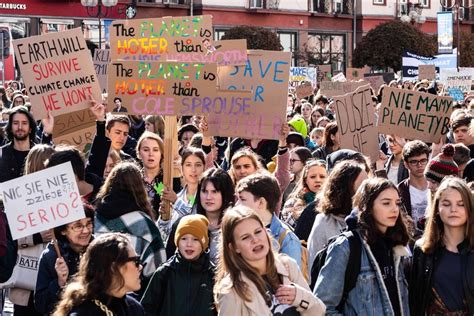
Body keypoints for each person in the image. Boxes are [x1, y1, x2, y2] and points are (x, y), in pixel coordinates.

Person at [314, 177, 411, 315]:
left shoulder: (398, 246)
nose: (395, 209)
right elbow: (322, 307)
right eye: (386, 203)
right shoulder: (346, 246)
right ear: (368, 206)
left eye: (397, 203)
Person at [214, 206, 326, 315]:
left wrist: (299, 297)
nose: (255, 240)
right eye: (245, 237)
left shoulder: (288, 266)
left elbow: (319, 311)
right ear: (234, 247)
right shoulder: (231, 290)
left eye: (258, 231)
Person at [410, 177, 474, 316]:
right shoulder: (422, 249)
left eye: (461, 204)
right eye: (446, 203)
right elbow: (416, 300)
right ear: (437, 208)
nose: (453, 209)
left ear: (469, 208)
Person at [94, 161, 166, 282]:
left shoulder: (96, 217)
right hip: (135, 294)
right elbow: (158, 270)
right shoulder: (145, 224)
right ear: (139, 186)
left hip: (100, 288)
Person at [53, 233, 144, 316]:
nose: (140, 267)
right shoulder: (82, 313)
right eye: (135, 261)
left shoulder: (135, 308)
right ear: (114, 268)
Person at [141, 215, 216, 316]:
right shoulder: (164, 273)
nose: (189, 244)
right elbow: (146, 309)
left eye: (195, 239)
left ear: (204, 243)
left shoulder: (212, 275)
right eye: (184, 238)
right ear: (177, 241)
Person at [35, 204, 95, 315]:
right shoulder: (51, 256)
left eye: (89, 224)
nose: (86, 230)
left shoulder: (100, 251)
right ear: (63, 230)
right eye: (78, 226)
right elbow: (41, 304)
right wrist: (59, 283)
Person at [166, 168, 234, 264]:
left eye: (214, 191)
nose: (208, 197)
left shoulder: (234, 227)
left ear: (225, 194)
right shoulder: (183, 224)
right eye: (204, 191)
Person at [235, 173, 304, 270]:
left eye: (242, 199)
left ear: (261, 203)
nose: (237, 205)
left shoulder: (287, 239)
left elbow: (291, 280)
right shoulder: (238, 230)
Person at [307, 161, 368, 266]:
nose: (368, 190)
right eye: (363, 186)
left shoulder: (371, 219)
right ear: (346, 189)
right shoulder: (324, 223)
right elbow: (315, 266)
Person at [158, 147, 206, 242]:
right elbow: (163, 235)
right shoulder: (179, 196)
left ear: (204, 167)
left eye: (198, 165)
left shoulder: (207, 196)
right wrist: (164, 219)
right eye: (188, 165)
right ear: (182, 168)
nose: (193, 170)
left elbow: (194, 221)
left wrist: (176, 202)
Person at [0, 106, 53, 182]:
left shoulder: (39, 153)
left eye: (24, 123)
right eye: (16, 123)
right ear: (10, 128)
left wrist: (47, 132)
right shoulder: (1, 154)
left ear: (30, 129)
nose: (20, 127)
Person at [397, 140, 431, 238]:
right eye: (414, 162)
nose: (419, 165)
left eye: (423, 160)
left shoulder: (437, 186)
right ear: (406, 164)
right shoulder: (399, 190)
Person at [281, 160, 327, 229]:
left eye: (322, 177)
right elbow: (286, 231)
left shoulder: (332, 202)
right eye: (313, 177)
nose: (318, 180)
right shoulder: (292, 203)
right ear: (306, 180)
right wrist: (297, 217)